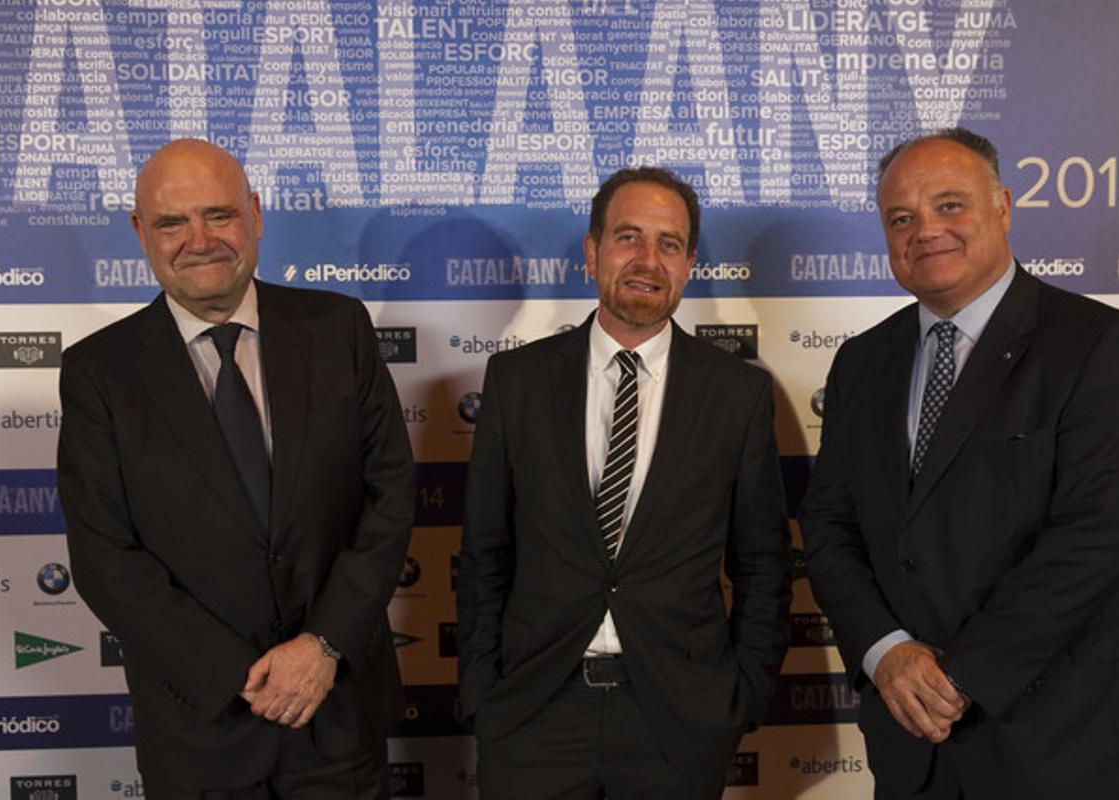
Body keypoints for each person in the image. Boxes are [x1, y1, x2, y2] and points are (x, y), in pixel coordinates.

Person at [800, 128, 1119, 799]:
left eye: (950, 205)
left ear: (1002, 207)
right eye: (902, 218)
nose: (926, 231)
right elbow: (829, 528)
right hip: (913, 743)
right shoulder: (862, 361)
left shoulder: (1099, 343)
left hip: (1058, 747)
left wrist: (957, 677)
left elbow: (1096, 537)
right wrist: (886, 653)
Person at [57, 139, 415, 798]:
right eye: (172, 222)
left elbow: (388, 498)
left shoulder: (338, 328)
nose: (200, 239)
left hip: (337, 716)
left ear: (254, 213)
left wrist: (323, 647)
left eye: (219, 215)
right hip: (200, 733)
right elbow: (107, 558)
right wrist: (240, 676)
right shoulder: (97, 374)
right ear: (141, 232)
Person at [457, 166, 792, 799]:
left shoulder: (738, 394)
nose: (647, 259)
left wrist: (739, 701)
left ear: (690, 263)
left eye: (669, 243)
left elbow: (764, 565)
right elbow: (484, 553)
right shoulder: (517, 381)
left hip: (678, 720)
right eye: (628, 237)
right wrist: (484, 695)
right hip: (535, 715)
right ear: (592, 251)